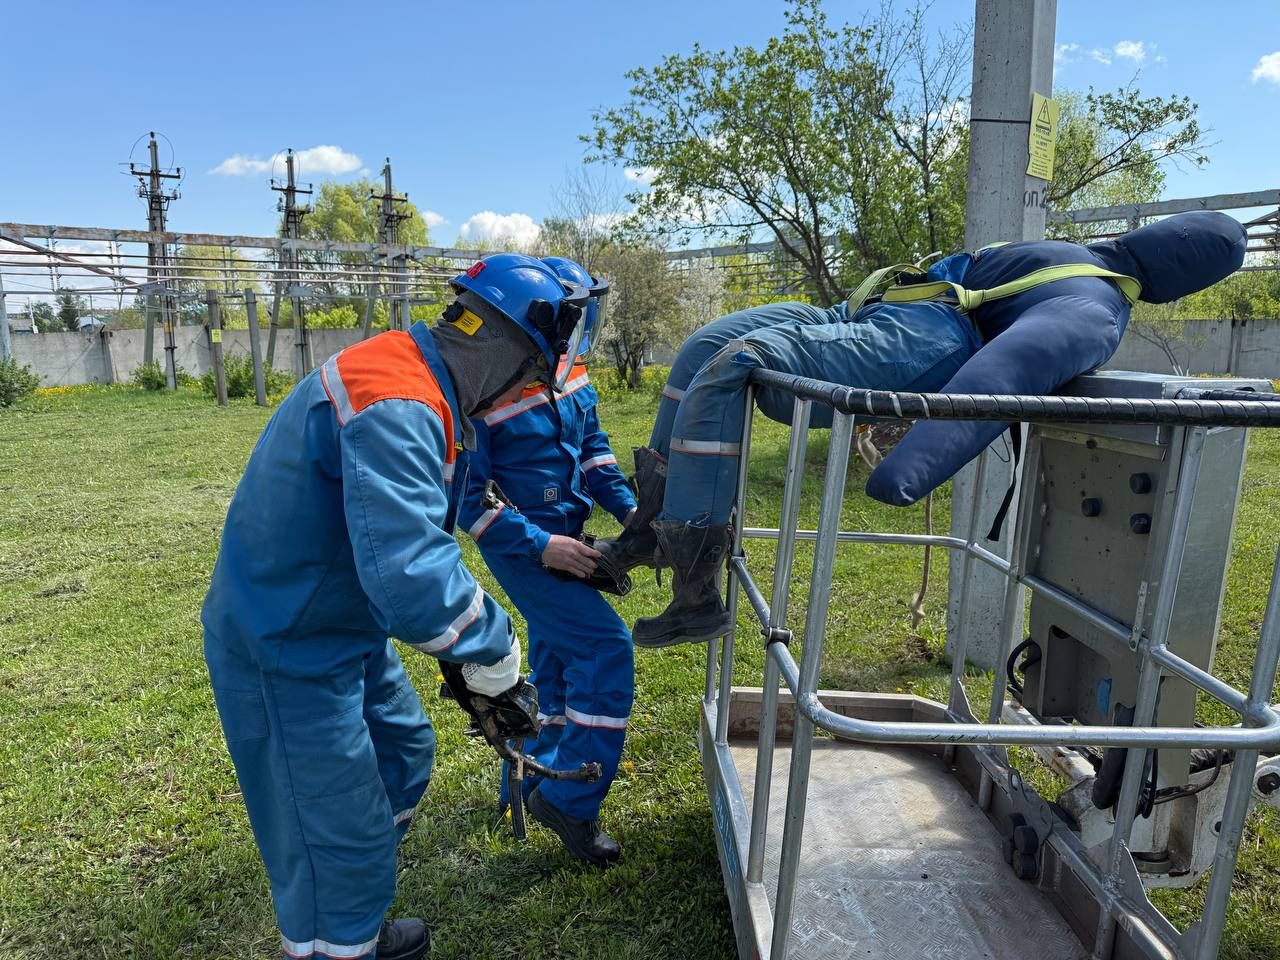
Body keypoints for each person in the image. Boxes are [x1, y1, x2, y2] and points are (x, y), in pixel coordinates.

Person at [594, 211, 1247, 648]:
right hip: (859, 308)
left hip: (921, 337)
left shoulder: (1093, 308)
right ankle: (648, 529)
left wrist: (908, 471)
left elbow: (1003, 375)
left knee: (737, 363)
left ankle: (695, 585)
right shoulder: (1070, 252)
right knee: (702, 345)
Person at [201, 253, 593, 960]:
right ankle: (336, 932)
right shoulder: (399, 401)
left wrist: (460, 654)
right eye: (533, 378)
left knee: (402, 752)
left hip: (336, 618)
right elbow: (410, 573)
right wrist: (497, 656)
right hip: (283, 641)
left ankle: (349, 898)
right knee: (338, 823)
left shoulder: (421, 381)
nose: (526, 395)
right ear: (514, 350)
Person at [460, 256, 636, 868]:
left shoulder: (573, 369)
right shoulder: (490, 381)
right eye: (577, 313)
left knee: (559, 665)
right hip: (524, 547)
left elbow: (594, 453)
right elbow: (469, 501)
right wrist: (544, 547)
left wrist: (633, 513)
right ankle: (574, 801)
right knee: (605, 647)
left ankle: (531, 781)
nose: (584, 324)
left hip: (571, 536)